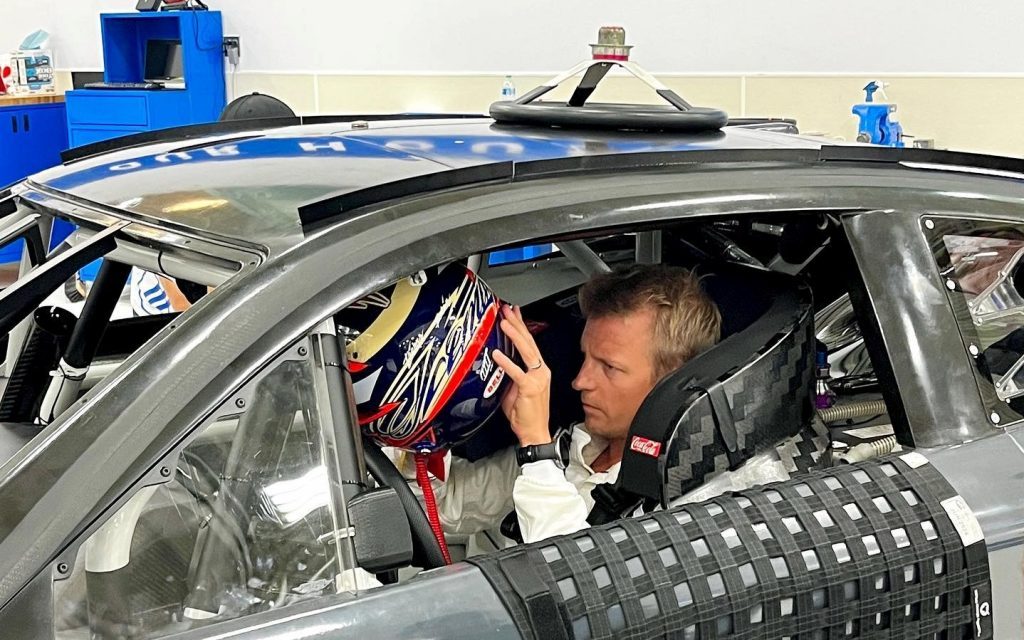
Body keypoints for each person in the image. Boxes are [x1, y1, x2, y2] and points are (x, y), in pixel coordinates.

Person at [438, 264, 722, 544]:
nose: (580, 381)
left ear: (673, 383)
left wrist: (537, 448)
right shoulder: (574, 445)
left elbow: (576, 577)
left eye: (609, 367)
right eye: (585, 357)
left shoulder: (684, 501)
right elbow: (446, 508)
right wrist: (424, 430)